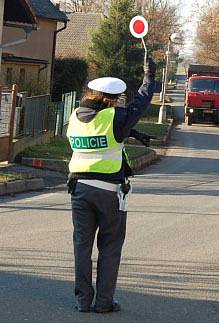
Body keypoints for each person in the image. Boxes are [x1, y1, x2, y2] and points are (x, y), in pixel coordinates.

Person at [66, 59, 156, 313]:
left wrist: (132, 133)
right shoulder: (116, 117)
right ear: (112, 99)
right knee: (110, 247)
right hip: (109, 192)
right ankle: (104, 302)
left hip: (79, 188)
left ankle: (83, 300)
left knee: (82, 246)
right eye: (117, 99)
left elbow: (97, 134)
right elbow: (140, 103)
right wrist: (149, 77)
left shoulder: (74, 116)